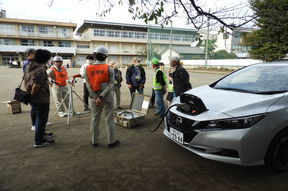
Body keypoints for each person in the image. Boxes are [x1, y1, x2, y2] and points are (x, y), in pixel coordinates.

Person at [80, 46, 120, 148]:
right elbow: (111, 85)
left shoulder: (87, 68)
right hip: (107, 97)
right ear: (105, 56)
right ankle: (111, 142)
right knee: (109, 119)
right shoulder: (109, 68)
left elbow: (88, 85)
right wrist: (102, 96)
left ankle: (94, 141)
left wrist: (96, 97)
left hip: (94, 98)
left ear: (94, 55)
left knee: (94, 119)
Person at [24, 49, 55, 148]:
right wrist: (32, 95)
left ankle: (42, 135)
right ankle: (39, 141)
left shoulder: (29, 66)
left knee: (39, 118)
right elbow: (36, 86)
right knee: (41, 119)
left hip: (33, 97)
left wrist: (30, 96)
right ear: (44, 59)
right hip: (40, 98)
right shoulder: (40, 69)